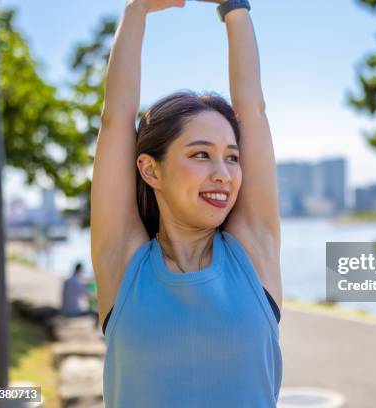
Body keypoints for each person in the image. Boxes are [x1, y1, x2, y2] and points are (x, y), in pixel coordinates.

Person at [90, 0, 282, 406]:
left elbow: (253, 107)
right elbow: (116, 117)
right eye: (200, 154)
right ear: (150, 170)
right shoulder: (124, 264)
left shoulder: (254, 252)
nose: (224, 173)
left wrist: (235, 8)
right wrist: (137, 9)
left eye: (232, 156)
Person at [61, 262, 100, 327]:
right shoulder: (76, 282)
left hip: (64, 310)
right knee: (97, 313)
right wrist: (98, 300)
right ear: (79, 270)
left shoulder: (67, 281)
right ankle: (94, 330)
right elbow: (87, 295)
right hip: (73, 311)